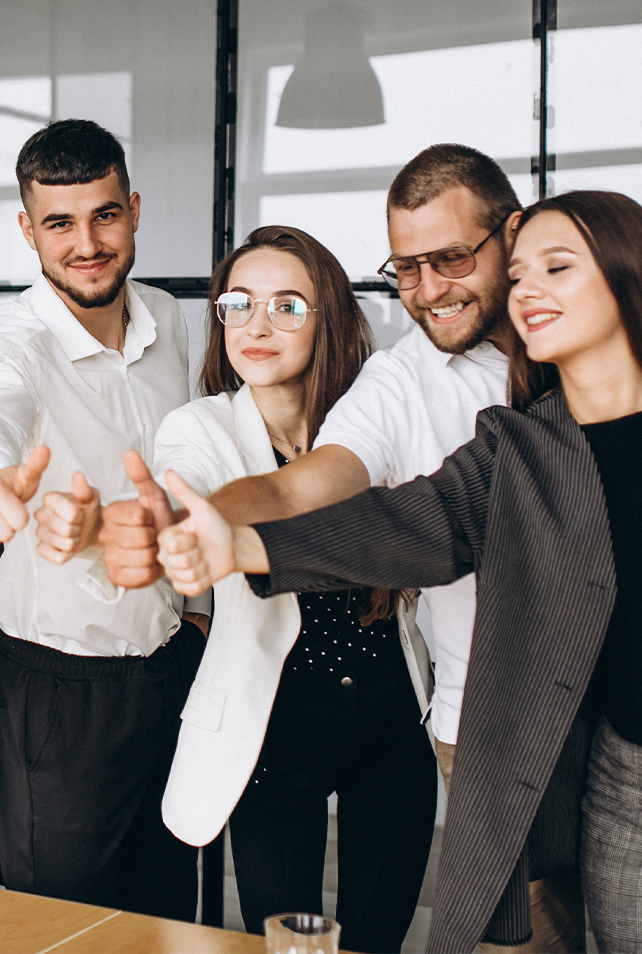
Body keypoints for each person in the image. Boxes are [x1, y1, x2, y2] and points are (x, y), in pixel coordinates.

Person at [158, 190, 642, 953]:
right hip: (639, 804)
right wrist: (242, 543)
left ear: (630, 274)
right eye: (520, 271)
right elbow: (407, 523)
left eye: (555, 267)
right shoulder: (521, 447)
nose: (524, 287)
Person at [103, 143, 586, 951]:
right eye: (407, 268)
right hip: (372, 729)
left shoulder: (567, 351)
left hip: (414, 716)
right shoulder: (390, 388)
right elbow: (299, 489)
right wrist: (208, 524)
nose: (429, 288)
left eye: (452, 258)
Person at [128, 226, 434, 950]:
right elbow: (192, 499)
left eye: (288, 306)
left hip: (392, 726)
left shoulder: (376, 417)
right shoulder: (198, 427)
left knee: (377, 943)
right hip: (272, 732)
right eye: (238, 304)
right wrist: (171, 528)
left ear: (329, 318)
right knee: (283, 945)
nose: (257, 325)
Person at [0, 119, 202, 919]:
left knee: (168, 915)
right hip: (61, 689)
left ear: (132, 209)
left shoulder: (171, 319)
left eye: (104, 216)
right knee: (64, 922)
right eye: (59, 223)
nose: (86, 243)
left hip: (171, 664)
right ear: (28, 231)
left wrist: (192, 618)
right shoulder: (10, 341)